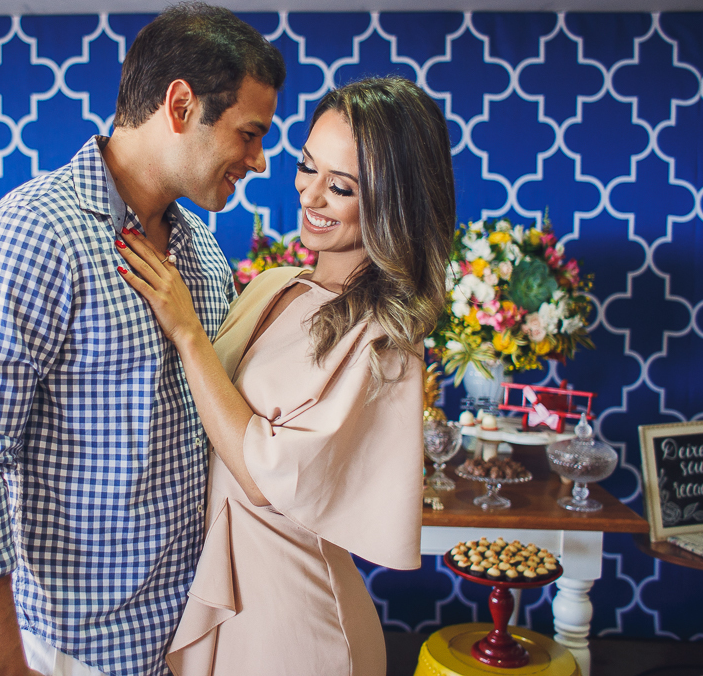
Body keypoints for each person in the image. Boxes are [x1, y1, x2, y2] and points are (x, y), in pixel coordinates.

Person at [0, 3, 286, 676]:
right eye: (249, 133)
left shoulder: (202, 254)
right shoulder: (30, 238)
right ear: (180, 104)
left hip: (197, 640)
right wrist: (3, 668)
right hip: (76, 654)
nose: (259, 161)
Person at [116, 76, 456, 675]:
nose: (311, 195)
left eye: (342, 186)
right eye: (307, 167)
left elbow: (263, 481)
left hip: (298, 625)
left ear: (392, 200)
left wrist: (187, 330)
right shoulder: (276, 287)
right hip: (228, 596)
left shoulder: (386, 339)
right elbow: (194, 408)